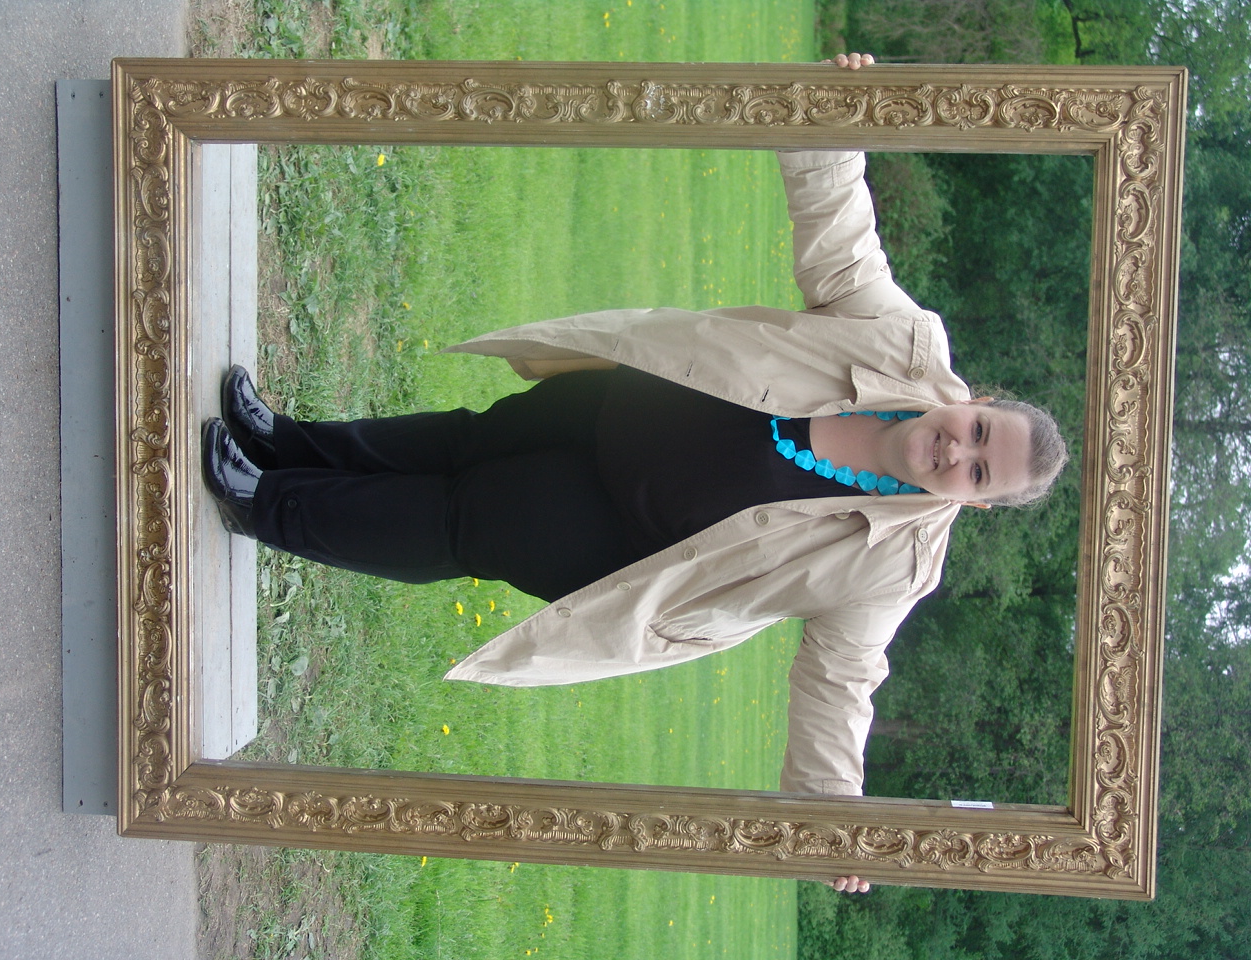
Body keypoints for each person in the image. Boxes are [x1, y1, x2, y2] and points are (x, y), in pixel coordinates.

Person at [202, 54, 1067, 896]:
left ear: (979, 504)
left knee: (462, 520)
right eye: (978, 432)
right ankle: (285, 444)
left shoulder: (897, 567)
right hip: (624, 401)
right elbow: (844, 252)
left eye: (979, 473)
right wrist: (831, 126)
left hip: (621, 538)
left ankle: (266, 506)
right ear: (978, 402)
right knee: (465, 442)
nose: (957, 452)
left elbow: (840, 685)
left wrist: (828, 813)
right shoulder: (907, 345)